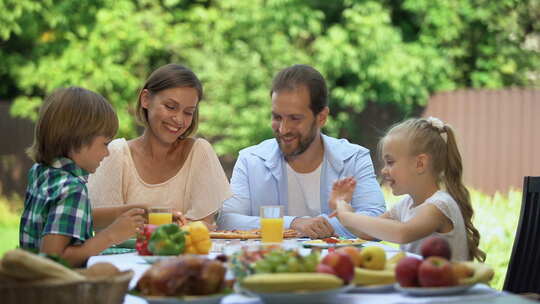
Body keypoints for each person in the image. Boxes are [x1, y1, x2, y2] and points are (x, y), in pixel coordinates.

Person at [218, 64, 386, 238]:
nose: (283, 129)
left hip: (337, 263)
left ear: (321, 117)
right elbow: (228, 220)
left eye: (295, 118)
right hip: (270, 262)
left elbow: (377, 219)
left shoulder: (354, 158)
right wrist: (294, 223)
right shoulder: (250, 159)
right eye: (277, 117)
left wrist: (323, 226)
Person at [88, 64, 231, 229]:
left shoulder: (199, 152)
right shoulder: (115, 153)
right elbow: (103, 227)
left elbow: (203, 227)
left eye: (188, 112)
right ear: (146, 99)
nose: (179, 119)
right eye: (171, 107)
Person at [19, 87, 146, 267]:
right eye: (105, 143)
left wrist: (138, 211)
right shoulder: (71, 189)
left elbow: (74, 217)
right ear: (79, 139)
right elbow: (53, 260)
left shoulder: (42, 172)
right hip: (61, 290)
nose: (107, 153)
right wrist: (111, 235)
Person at [331, 117, 486, 261]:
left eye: (390, 162)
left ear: (420, 164)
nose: (383, 171)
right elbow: (366, 232)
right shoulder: (405, 205)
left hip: (449, 289)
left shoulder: (439, 206)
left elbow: (402, 233)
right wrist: (341, 207)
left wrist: (348, 216)